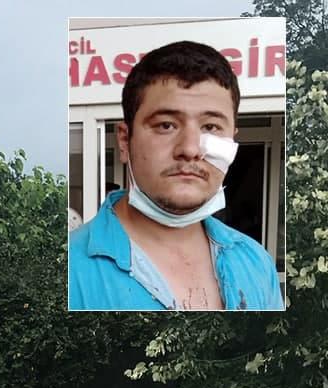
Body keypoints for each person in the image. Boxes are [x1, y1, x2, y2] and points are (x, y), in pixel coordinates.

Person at [68, 40, 283, 311]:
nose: (190, 149)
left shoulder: (258, 264)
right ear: (124, 141)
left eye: (211, 127)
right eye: (166, 125)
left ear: (231, 141)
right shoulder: (68, 269)